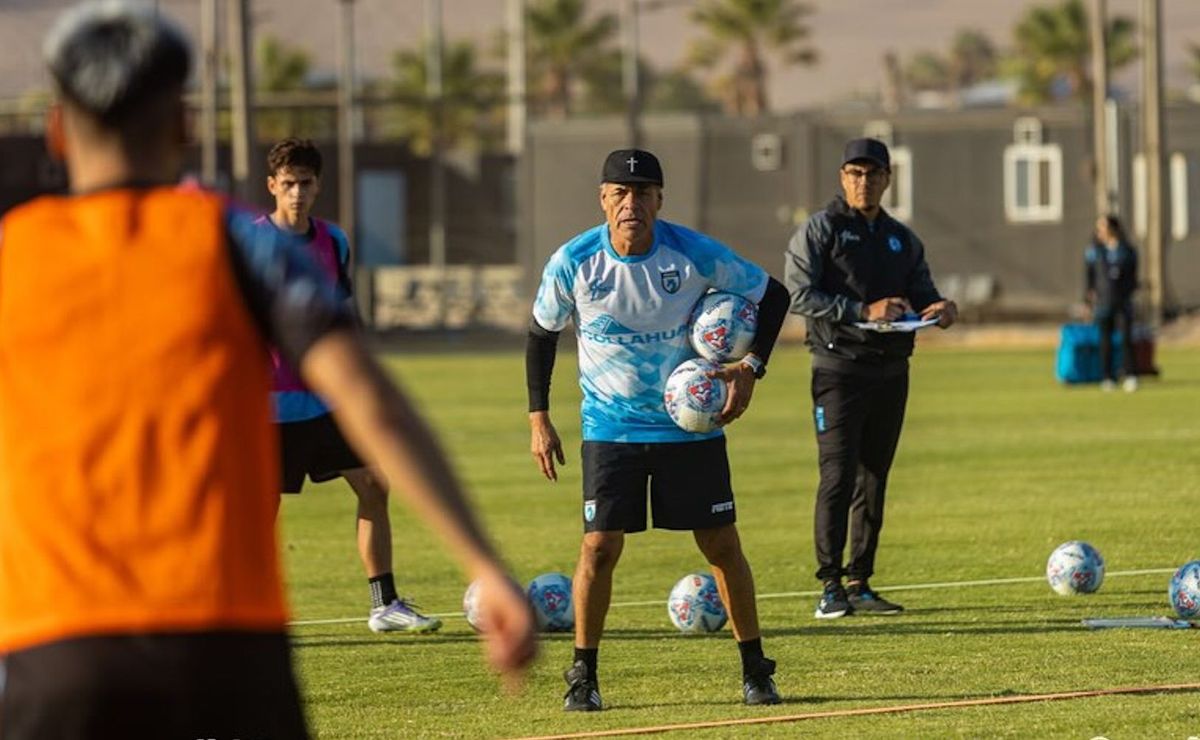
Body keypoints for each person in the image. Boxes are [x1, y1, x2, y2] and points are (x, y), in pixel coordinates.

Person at [0, 4, 535, 738]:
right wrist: (483, 564)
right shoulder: (237, 245)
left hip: (53, 647)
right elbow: (370, 398)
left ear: (58, 128)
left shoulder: (13, 255)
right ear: (185, 125)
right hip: (226, 646)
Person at [527, 148, 791, 710]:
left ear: (659, 201)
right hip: (610, 428)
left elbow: (775, 296)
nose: (631, 204)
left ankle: (756, 670)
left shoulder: (691, 253)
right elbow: (540, 332)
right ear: (603, 199)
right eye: (620, 193)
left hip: (689, 424)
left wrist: (750, 369)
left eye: (643, 193)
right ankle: (584, 675)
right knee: (599, 546)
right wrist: (538, 416)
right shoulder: (574, 261)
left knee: (721, 544)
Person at [257, 138, 440, 633]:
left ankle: (385, 605)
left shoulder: (333, 241)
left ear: (318, 186)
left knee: (373, 484)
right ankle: (245, 615)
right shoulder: (248, 243)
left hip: (325, 400)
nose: (297, 192)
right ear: (272, 186)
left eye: (306, 183)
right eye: (288, 183)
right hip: (267, 406)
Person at [784, 137, 957, 620]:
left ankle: (860, 581)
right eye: (855, 173)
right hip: (838, 368)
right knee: (837, 476)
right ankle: (829, 585)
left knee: (874, 478)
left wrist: (939, 308)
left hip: (891, 370)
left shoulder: (902, 237)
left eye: (873, 174)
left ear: (887, 179)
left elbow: (922, 292)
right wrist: (862, 310)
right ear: (842, 178)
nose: (864, 182)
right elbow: (799, 295)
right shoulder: (822, 230)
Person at [1085, 214, 1139, 392]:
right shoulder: (1095, 252)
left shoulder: (1127, 251)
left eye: (1103, 227)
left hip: (1123, 301)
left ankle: (1130, 374)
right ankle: (1107, 377)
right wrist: (1088, 299)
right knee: (1105, 341)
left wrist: (1129, 293)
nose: (1099, 231)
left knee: (1126, 339)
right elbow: (1089, 278)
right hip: (1103, 302)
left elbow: (1132, 276)